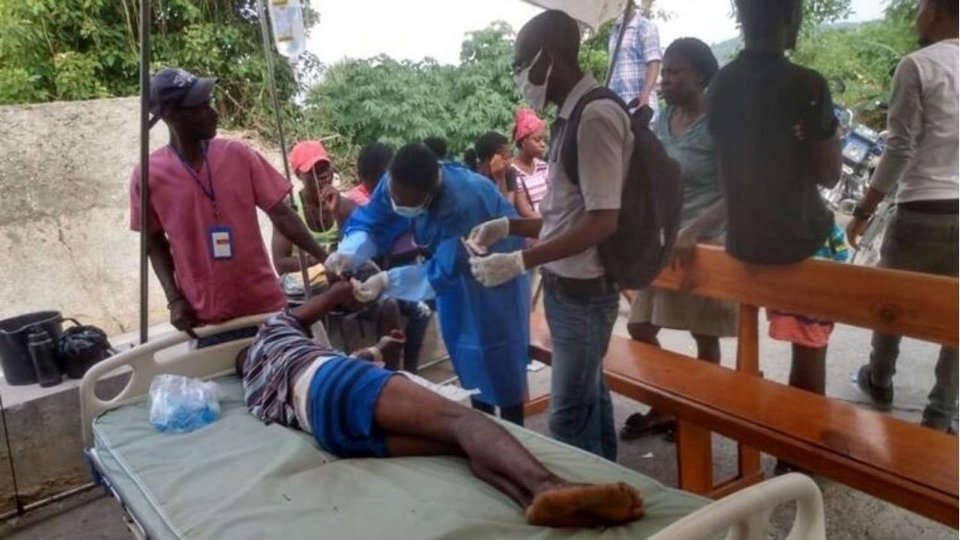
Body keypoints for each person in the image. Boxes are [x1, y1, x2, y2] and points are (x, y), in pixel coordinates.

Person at [237, 280, 644, 529]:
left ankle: (533, 503)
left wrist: (377, 351)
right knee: (464, 421)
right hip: (332, 382)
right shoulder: (274, 332)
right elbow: (327, 304)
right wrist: (344, 289)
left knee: (456, 445)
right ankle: (549, 485)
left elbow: (334, 384)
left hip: (328, 430)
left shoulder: (255, 394)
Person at [468, 10, 633, 460]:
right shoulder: (570, 117)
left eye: (523, 62)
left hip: (585, 294)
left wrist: (522, 261)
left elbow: (603, 222)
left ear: (551, 57)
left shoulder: (596, 115)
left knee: (567, 417)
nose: (520, 74)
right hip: (568, 291)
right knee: (589, 400)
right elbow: (565, 218)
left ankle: (589, 513)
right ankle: (613, 491)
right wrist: (508, 226)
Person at [707, 0, 843, 469]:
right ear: (792, 20)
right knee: (810, 351)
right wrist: (809, 143)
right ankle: (801, 455)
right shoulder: (807, 85)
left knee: (761, 346)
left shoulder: (720, 85)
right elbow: (829, 175)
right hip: (800, 242)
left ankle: (782, 444)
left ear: (741, 20)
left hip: (744, 242)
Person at [325, 143, 531, 426]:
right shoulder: (396, 180)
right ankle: (482, 423)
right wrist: (351, 250)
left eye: (407, 202)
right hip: (451, 278)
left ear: (430, 192)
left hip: (495, 278)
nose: (398, 205)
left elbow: (441, 272)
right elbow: (375, 220)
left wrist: (387, 280)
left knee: (499, 359)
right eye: (395, 197)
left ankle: (514, 430)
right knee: (465, 352)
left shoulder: (464, 203)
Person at [129, 68, 327, 346]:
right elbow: (153, 241)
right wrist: (174, 299)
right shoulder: (148, 175)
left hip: (265, 308)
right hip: (205, 318)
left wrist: (326, 258)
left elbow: (281, 213)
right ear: (172, 115)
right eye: (201, 106)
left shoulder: (238, 155)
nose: (213, 112)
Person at [848, 0, 958, 435]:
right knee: (957, 315)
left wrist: (862, 211)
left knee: (890, 301)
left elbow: (899, 148)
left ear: (933, 11)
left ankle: (880, 380)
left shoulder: (918, 65)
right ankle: (940, 414)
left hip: (921, 208)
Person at [619, 38, 737, 442]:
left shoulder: (722, 124)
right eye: (664, 71)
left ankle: (699, 415)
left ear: (701, 76)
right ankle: (671, 402)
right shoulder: (663, 118)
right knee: (639, 327)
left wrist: (696, 228)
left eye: (674, 71)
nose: (664, 79)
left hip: (706, 245)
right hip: (665, 241)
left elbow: (739, 192)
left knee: (703, 334)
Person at [271, 141, 349, 277]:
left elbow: (353, 250)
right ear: (298, 175)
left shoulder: (344, 204)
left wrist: (338, 213)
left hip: (335, 280)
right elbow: (280, 264)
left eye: (325, 168)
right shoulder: (290, 208)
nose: (323, 175)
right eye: (313, 171)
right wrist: (320, 259)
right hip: (301, 286)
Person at [608, 1, 662, 114]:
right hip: (618, 107)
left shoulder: (646, 27)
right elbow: (612, 67)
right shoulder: (615, 31)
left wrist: (645, 96)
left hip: (640, 105)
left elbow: (653, 62)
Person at [511, 108, 550, 218]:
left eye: (543, 139)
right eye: (537, 140)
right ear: (523, 142)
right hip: (534, 228)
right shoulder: (512, 171)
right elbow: (525, 212)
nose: (543, 144)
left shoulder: (543, 167)